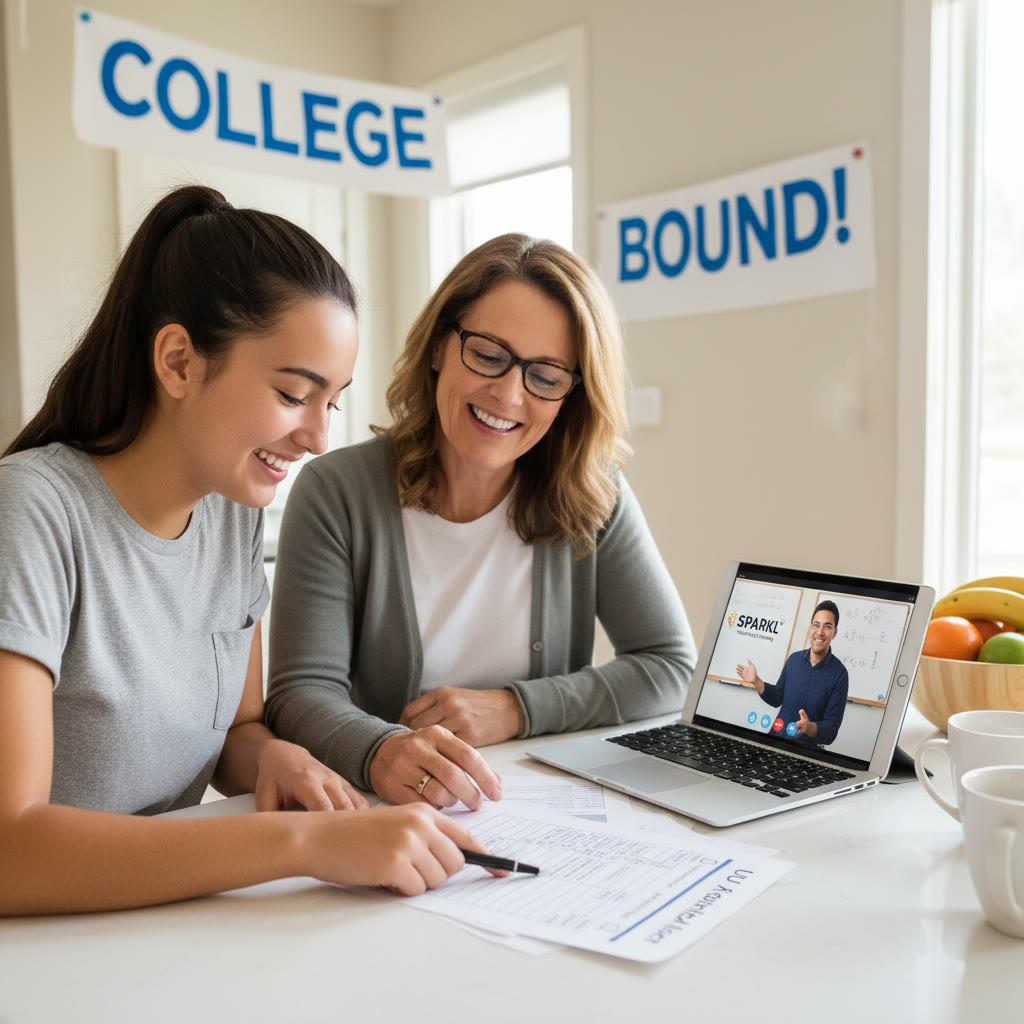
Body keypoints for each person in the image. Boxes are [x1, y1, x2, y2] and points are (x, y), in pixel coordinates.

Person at [0, 185, 496, 917]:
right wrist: (300, 846)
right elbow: (13, 852)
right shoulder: (31, 511)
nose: (320, 437)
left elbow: (235, 730)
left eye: (332, 402)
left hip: (158, 926)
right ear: (177, 362)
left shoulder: (232, 511)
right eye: (296, 394)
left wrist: (273, 758)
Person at [266, 232, 697, 810]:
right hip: (390, 812)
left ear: (572, 393)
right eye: (489, 355)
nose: (508, 395)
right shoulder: (336, 492)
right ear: (441, 345)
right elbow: (300, 694)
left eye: (544, 376)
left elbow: (669, 667)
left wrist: (513, 708)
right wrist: (381, 749)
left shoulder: (596, 496)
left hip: (544, 810)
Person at [736, 600, 849, 747]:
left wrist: (809, 727)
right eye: (816, 625)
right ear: (810, 628)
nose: (820, 632)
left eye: (827, 627)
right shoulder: (794, 660)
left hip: (805, 753)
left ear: (834, 633)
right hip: (775, 741)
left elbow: (831, 731)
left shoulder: (840, 674)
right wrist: (756, 680)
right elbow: (777, 697)